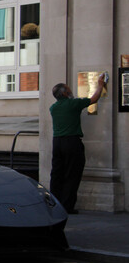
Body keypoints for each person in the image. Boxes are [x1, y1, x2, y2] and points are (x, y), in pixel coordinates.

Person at [50, 73, 107, 214]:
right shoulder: (73, 104)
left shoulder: (53, 108)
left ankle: (55, 203)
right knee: (72, 174)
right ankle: (67, 206)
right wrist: (100, 85)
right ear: (64, 93)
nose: (71, 92)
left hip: (57, 142)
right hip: (72, 142)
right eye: (68, 90)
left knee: (57, 174)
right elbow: (94, 99)